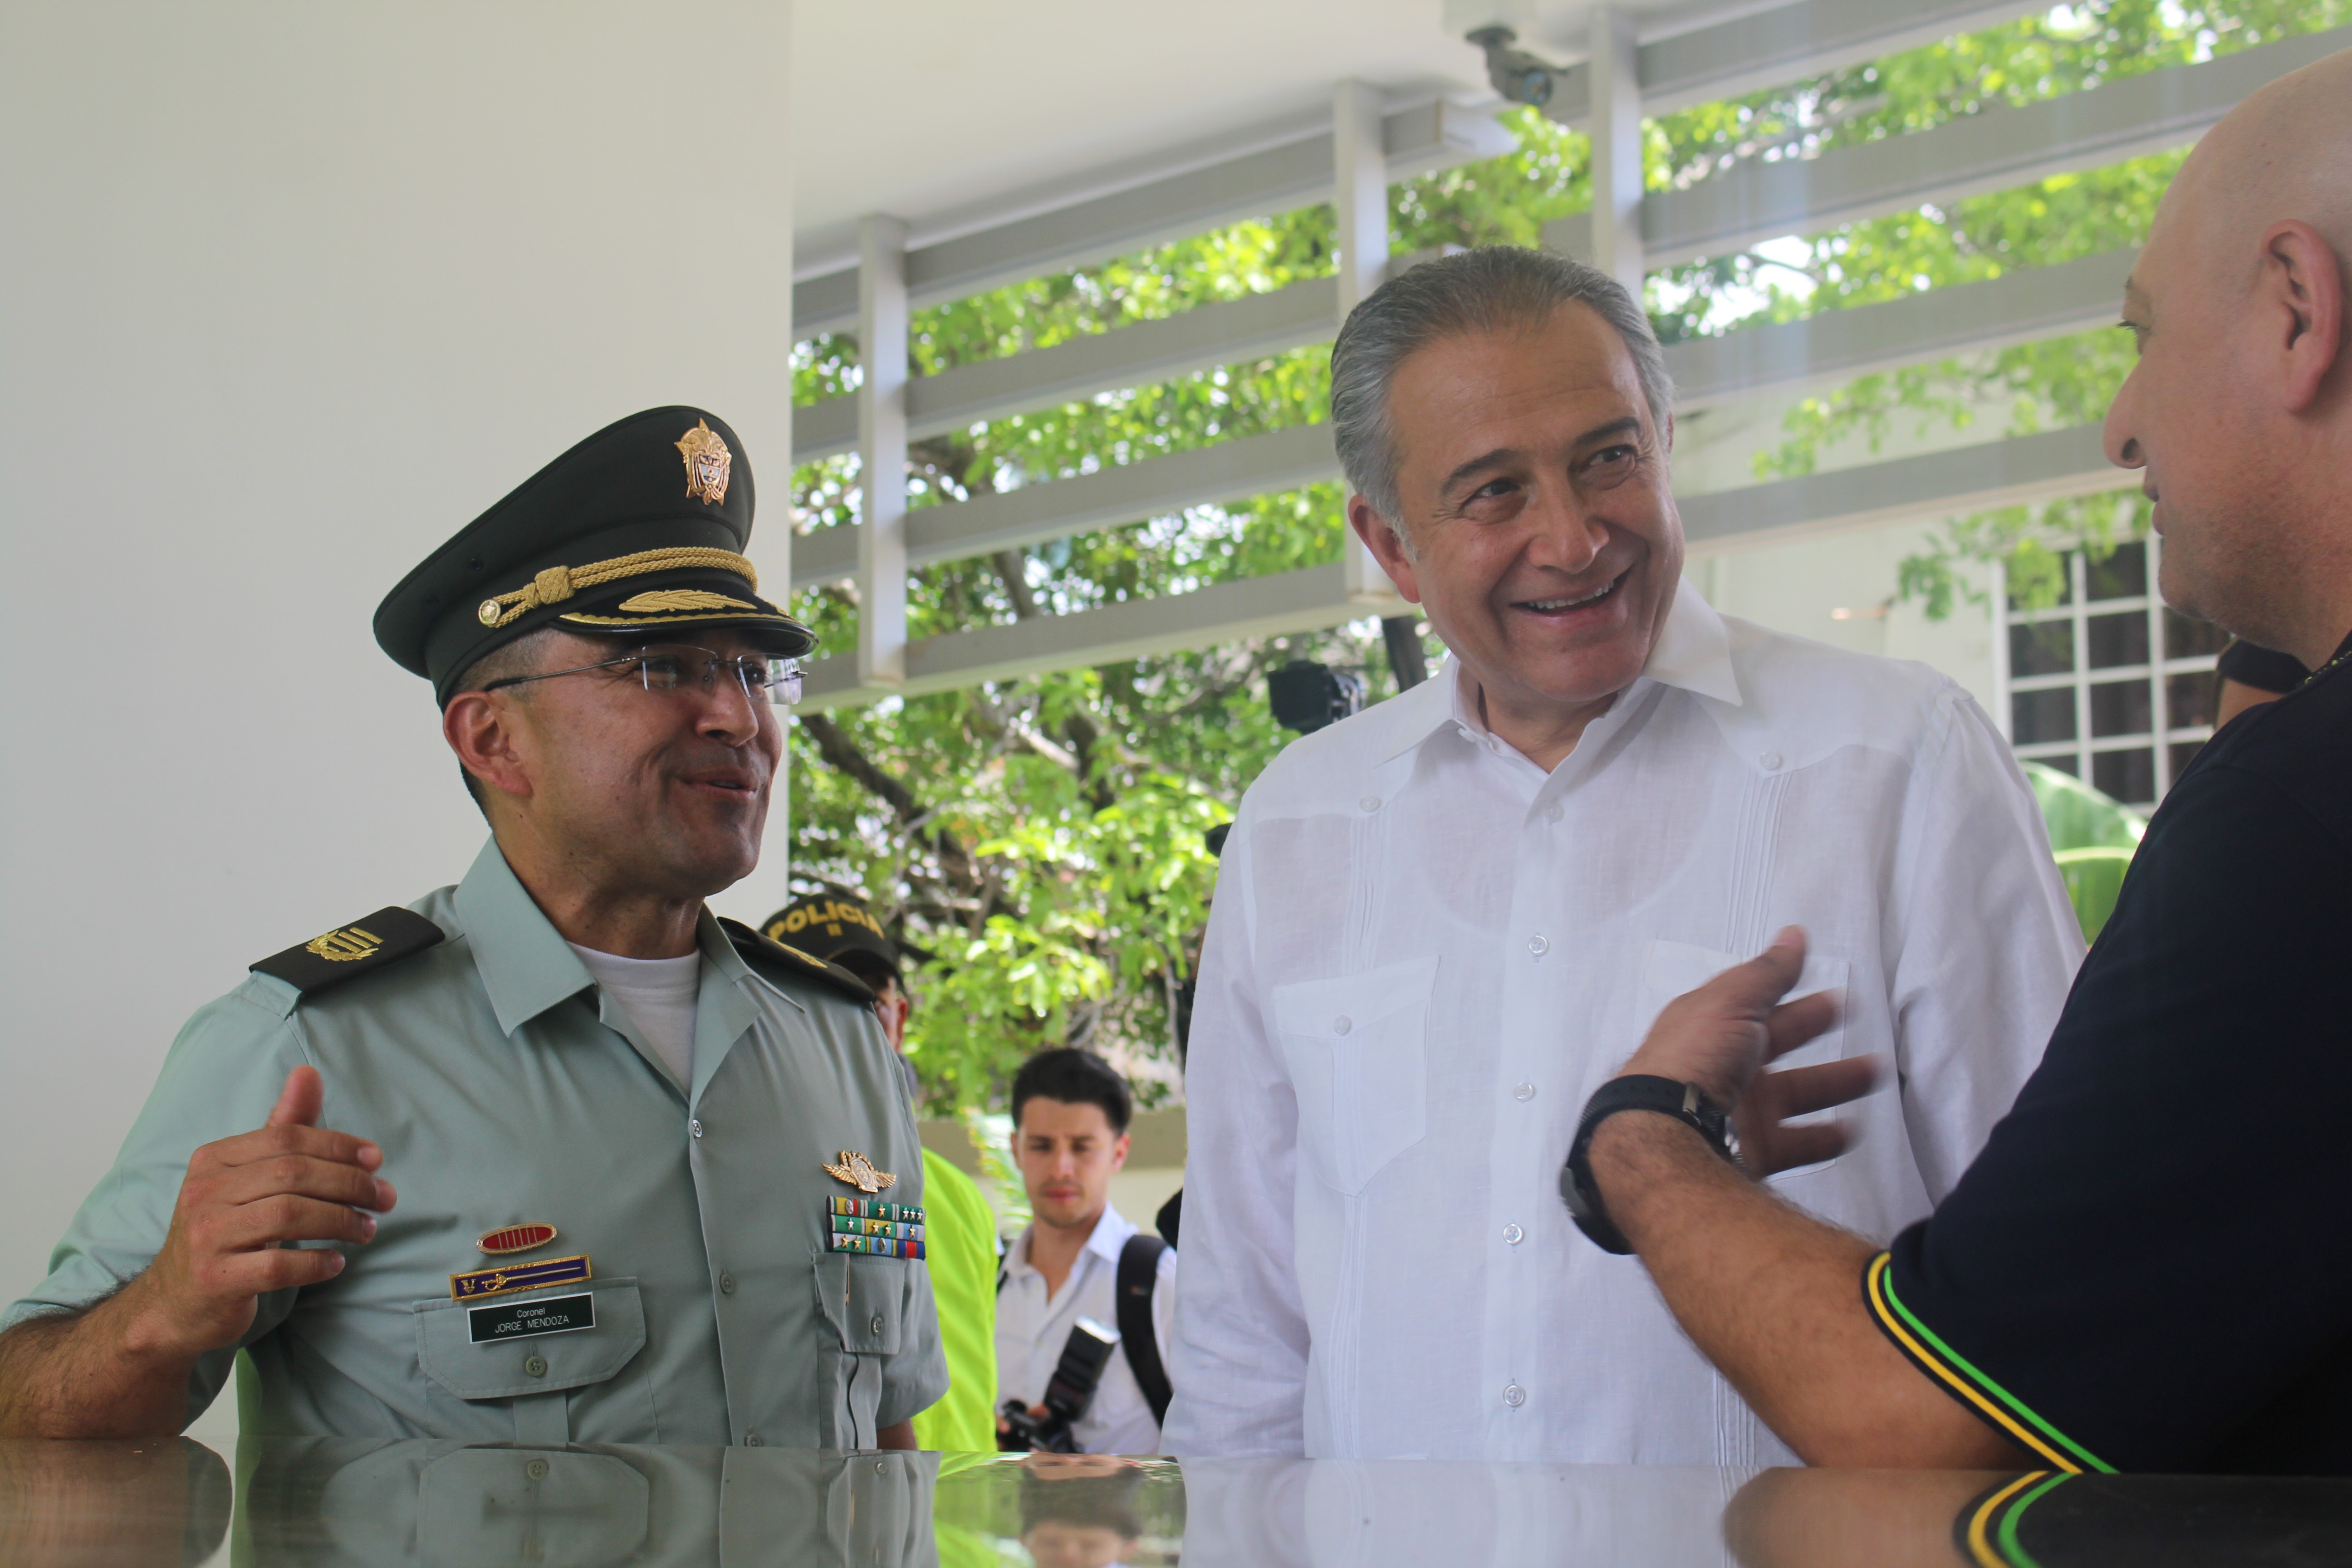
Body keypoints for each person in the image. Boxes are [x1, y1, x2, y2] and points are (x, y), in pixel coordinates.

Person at [1164, 245, 2082, 1464]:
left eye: (1608, 457)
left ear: (1661, 440)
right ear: (1391, 545)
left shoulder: (1897, 760)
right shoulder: (1298, 829)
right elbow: (1245, 1340)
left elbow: (2054, 1261)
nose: (1574, 536)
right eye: (1494, 491)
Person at [1569, 46, 2352, 1475]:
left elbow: (1930, 1413)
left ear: (2300, 309)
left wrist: (1637, 1142)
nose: (2122, 425)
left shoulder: (2297, 822)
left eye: (2143, 337)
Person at [0, 407, 945, 1447]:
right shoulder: (310, 1046)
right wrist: (160, 1314)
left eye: (752, 670)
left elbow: (884, 1437)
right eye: (664, 666)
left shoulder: (845, 1045)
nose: (737, 717)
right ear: (493, 736)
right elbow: (21, 1406)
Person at [764, 891, 1000, 1452]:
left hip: (960, 1531)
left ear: (900, 1018)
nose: (856, 1019)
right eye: (823, 996)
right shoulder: (755, 1188)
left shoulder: (959, 1196)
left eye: (870, 997)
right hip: (852, 1529)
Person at [997, 1049, 1176, 1455]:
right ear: (1015, 1149)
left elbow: (1218, 1443)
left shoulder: (1155, 1278)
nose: (1061, 1168)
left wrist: (1114, 1481)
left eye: (1082, 1147)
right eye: (1041, 1146)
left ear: (1119, 1151)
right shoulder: (989, 1285)